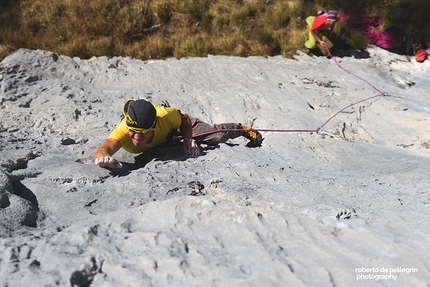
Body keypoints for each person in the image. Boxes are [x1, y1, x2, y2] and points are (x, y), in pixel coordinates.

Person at [94, 99, 263, 168]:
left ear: (152, 126)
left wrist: (188, 139)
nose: (137, 138)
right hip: (163, 139)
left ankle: (242, 129)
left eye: (143, 132)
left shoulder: (165, 116)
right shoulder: (123, 131)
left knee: (214, 136)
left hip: (174, 127)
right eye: (134, 132)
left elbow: (184, 119)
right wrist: (103, 158)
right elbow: (104, 149)